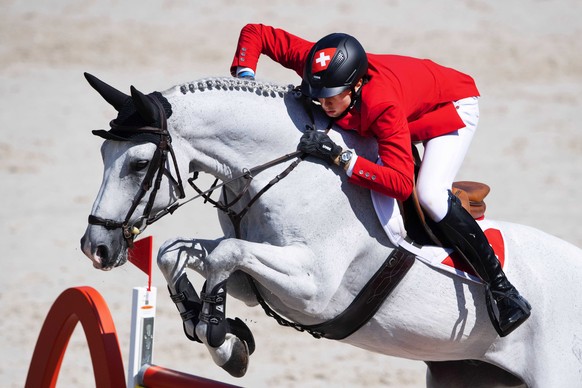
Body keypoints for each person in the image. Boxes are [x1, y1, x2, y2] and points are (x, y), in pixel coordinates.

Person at [229, 23, 531, 336]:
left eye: (333, 97)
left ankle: (503, 290)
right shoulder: (321, 66)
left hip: (449, 109)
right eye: (320, 95)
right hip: (409, 98)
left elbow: (401, 183)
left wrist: (342, 158)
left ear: (356, 84)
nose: (325, 103)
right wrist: (245, 78)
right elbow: (256, 33)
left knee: (429, 194)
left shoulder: (382, 105)